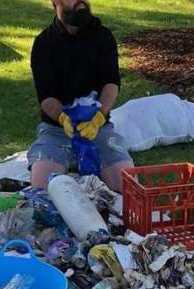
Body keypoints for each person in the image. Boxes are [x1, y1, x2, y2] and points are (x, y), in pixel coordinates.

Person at [28, 0, 134, 192]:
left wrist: (99, 116)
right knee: (42, 190)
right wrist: (63, 118)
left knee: (128, 187)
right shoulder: (44, 43)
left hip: (97, 128)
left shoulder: (103, 37)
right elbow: (46, 97)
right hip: (56, 130)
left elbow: (111, 84)